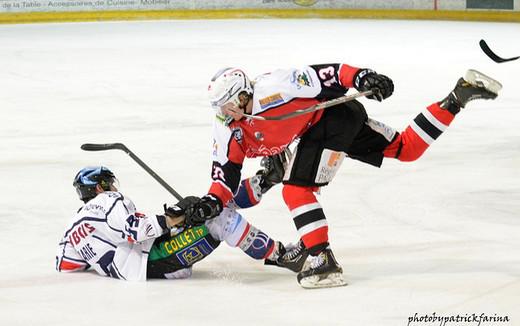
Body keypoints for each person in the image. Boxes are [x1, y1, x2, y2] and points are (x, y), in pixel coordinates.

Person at [178, 64, 501, 288]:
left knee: (296, 190)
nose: (224, 113)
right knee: (406, 148)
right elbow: (225, 174)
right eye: (219, 107)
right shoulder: (227, 127)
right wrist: (211, 201)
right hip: (330, 123)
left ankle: (322, 260)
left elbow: (327, 74)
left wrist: (363, 77)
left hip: (331, 119)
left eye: (228, 104)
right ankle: (459, 96)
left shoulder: (276, 85)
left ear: (244, 93)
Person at [56, 164, 300, 281]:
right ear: (100, 187)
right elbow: (135, 231)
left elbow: (66, 264)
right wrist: (177, 216)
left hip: (150, 257)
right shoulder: (107, 200)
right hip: (154, 260)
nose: (113, 187)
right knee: (218, 217)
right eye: (109, 183)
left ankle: (265, 181)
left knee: (210, 206)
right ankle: (280, 255)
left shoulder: (73, 225)